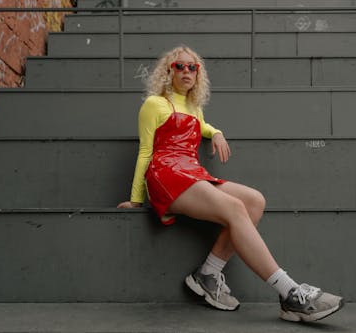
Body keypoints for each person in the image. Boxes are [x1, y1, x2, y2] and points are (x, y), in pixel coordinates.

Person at [117, 45, 344, 322]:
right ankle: (290, 293)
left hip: (192, 172)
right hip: (166, 173)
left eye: (193, 67)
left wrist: (217, 132)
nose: (187, 71)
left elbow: (201, 126)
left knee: (254, 201)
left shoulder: (193, 106)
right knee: (235, 208)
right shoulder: (154, 104)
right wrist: (137, 199)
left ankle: (208, 275)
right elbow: (145, 151)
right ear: (168, 71)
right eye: (180, 66)